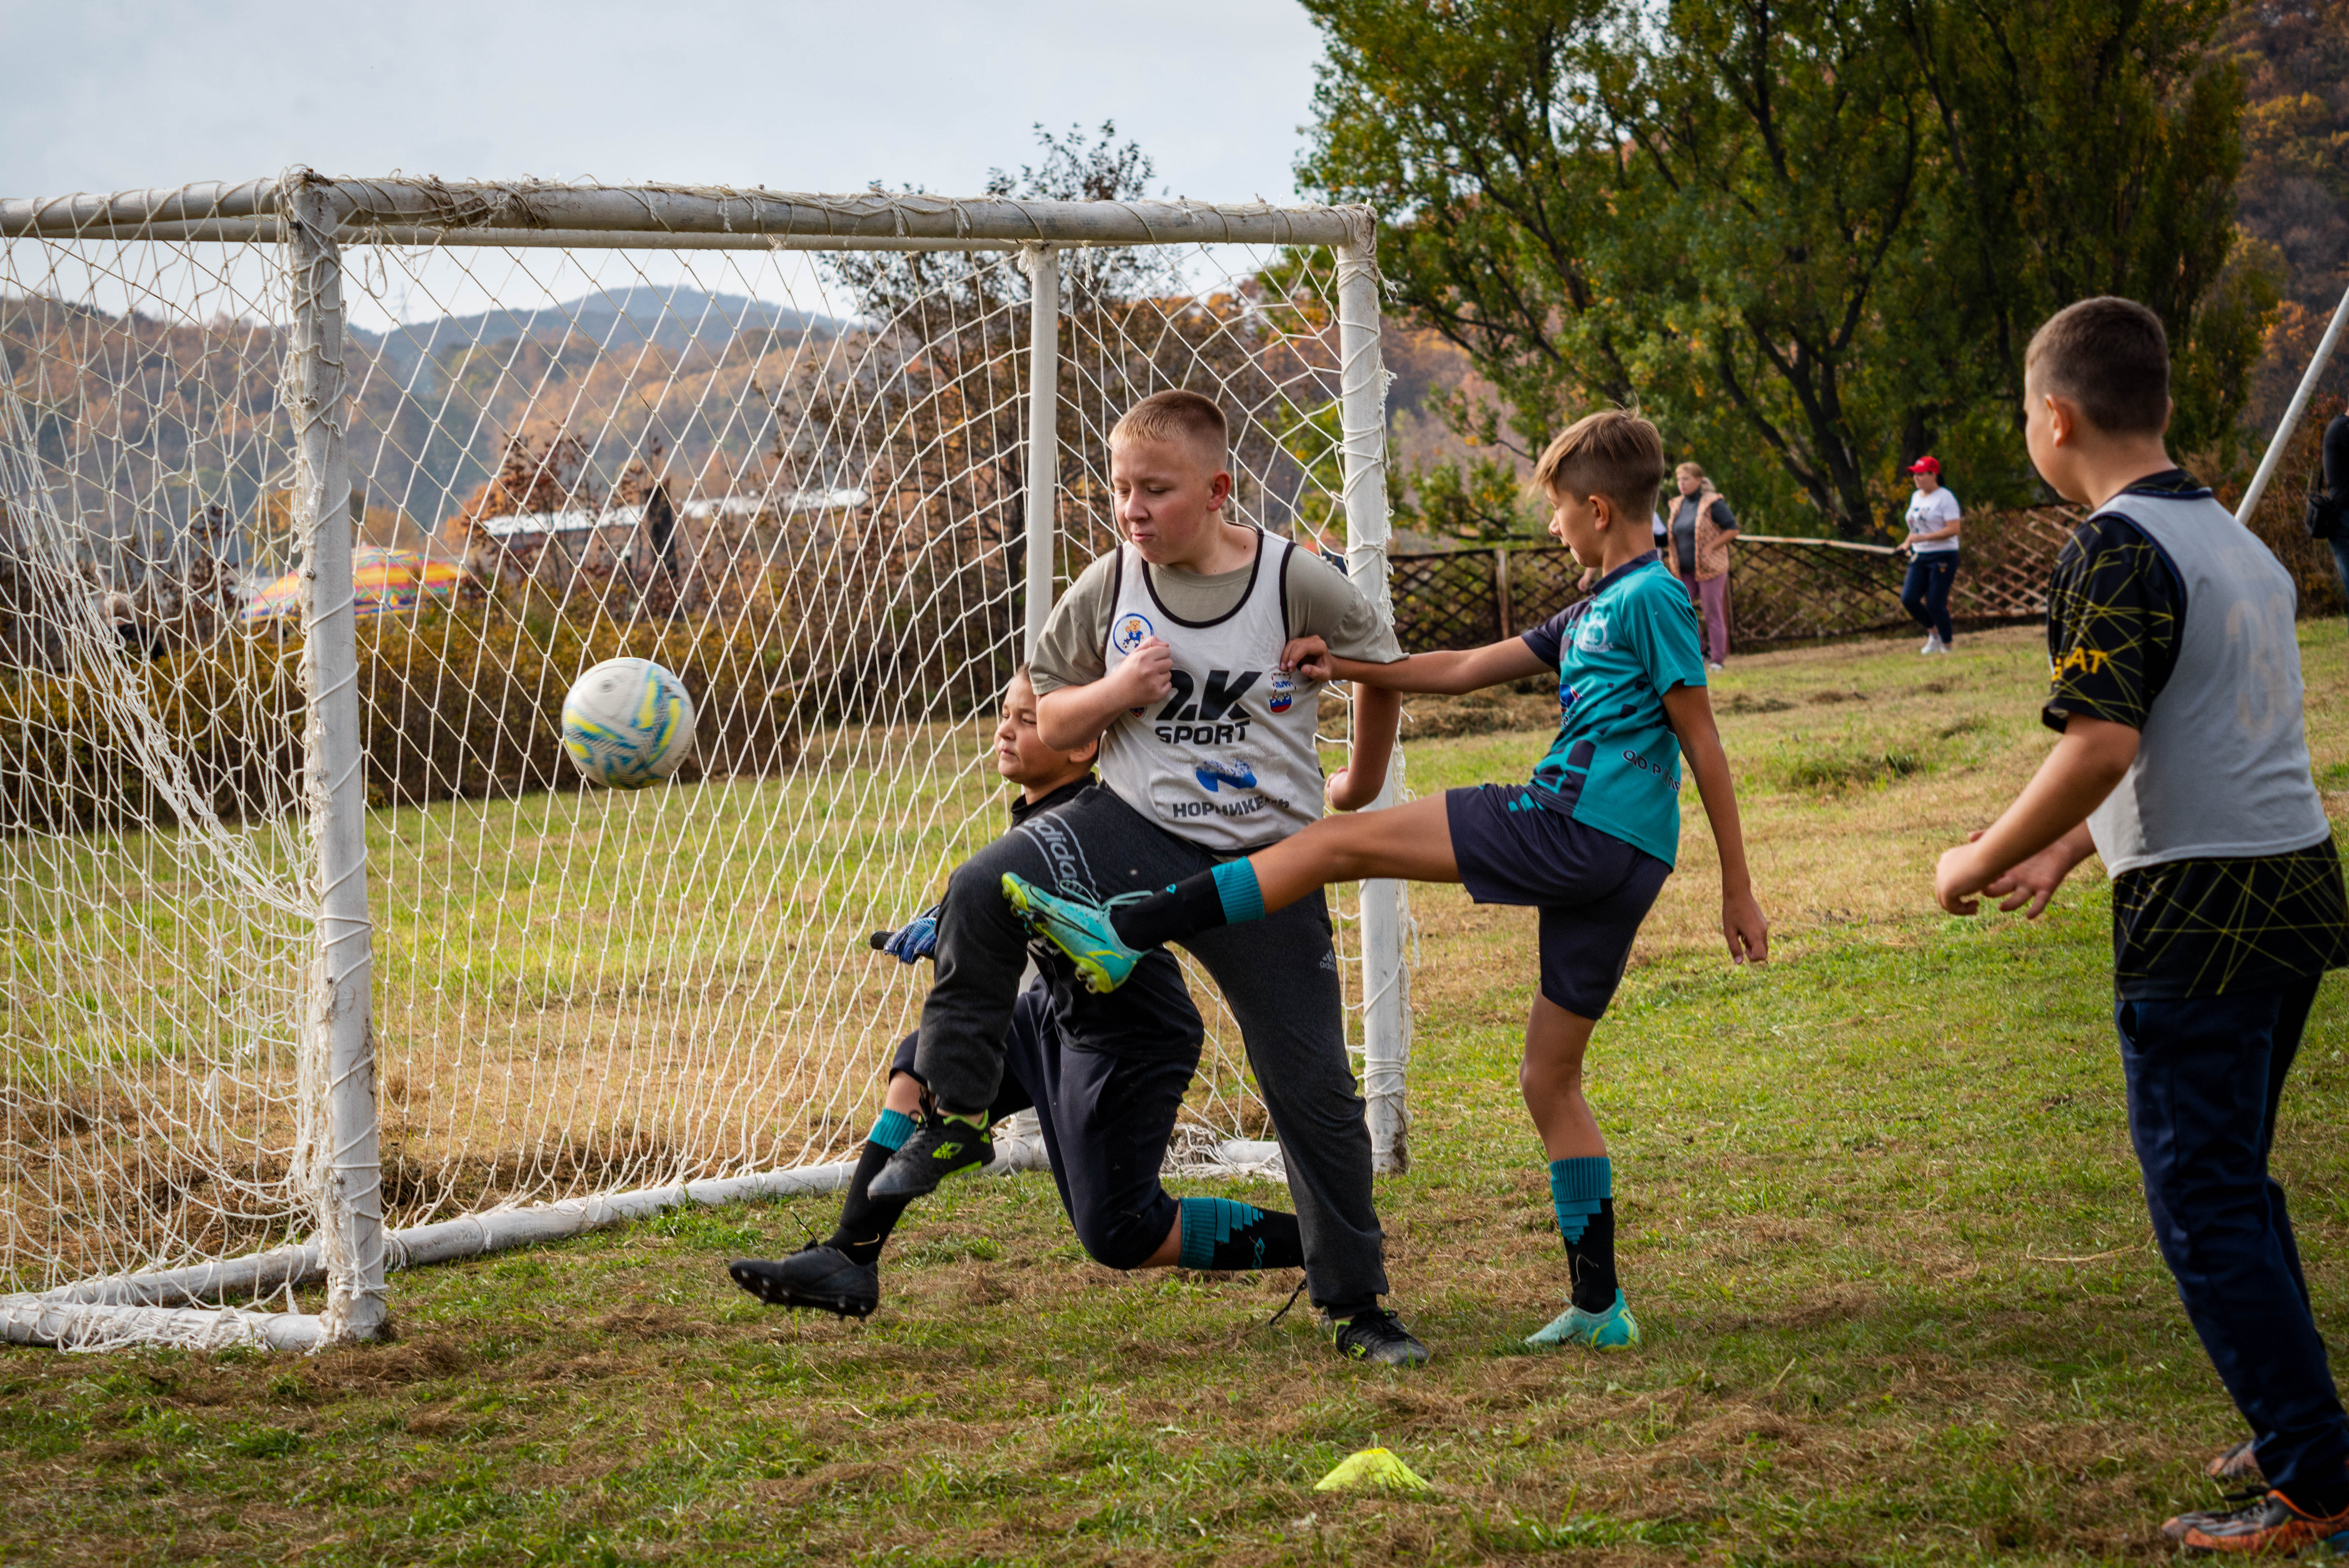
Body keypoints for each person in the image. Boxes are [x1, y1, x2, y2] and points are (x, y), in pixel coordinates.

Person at [1002, 409, 1770, 1352]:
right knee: (1548, 1077)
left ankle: (1127, 928)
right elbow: (1455, 671)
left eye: (1562, 512)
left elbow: (1704, 740)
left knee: (1334, 842)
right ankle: (1600, 1303)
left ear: (1599, 509)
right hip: (1622, 865)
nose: (1555, 527)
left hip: (1572, 825)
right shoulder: (1593, 604)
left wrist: (1740, 884)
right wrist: (1350, 664)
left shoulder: (1650, 597)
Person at [859, 389, 1429, 1366]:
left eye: (1154, 490)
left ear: (1216, 491)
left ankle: (1356, 1304)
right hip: (1129, 830)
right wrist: (1117, 691)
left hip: (1268, 860)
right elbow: (1051, 718)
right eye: (1120, 489)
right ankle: (953, 1118)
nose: (1132, 508)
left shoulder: (1299, 580)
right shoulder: (1109, 584)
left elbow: (1383, 667)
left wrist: (1360, 780)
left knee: (1314, 1090)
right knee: (979, 886)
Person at [1933, 297, 2349, 1554]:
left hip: (2202, 911)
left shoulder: (2109, 549)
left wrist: (1976, 854)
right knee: (2236, 1182)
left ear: (2052, 417)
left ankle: (2317, 1484)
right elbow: (2199, 729)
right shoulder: (2229, 537)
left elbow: (2102, 738)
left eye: (2022, 411)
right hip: (2294, 886)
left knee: (2202, 1204)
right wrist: (2067, 849)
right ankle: (2303, 1426)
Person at [727, 667, 1305, 1318]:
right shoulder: (1040, 817)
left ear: (1083, 739)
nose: (1005, 728)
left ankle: (1320, 1243)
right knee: (924, 1062)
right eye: (1007, 713)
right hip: (1054, 1017)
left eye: (1029, 720)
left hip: (1130, 1040)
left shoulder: (1097, 822)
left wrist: (958, 915)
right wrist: (947, 916)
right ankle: (849, 1259)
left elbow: (1046, 887)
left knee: (1122, 1235)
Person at [1664, 462, 1736, 670]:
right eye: (1679, 480)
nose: (1682, 484)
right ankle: (1702, 651)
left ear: (1698, 480)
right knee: (1681, 609)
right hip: (1684, 569)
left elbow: (1732, 530)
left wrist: (1712, 547)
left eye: (1686, 479)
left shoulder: (1713, 503)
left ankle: (1718, 660)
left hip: (1710, 568)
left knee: (1712, 612)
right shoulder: (1677, 505)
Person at [1897, 457, 1963, 654]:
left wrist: (1926, 537)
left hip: (1943, 556)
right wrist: (1906, 544)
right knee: (1909, 599)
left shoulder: (1946, 498)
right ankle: (1934, 634)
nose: (1916, 478)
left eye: (1921, 474)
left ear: (1933, 475)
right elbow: (1916, 529)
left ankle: (1947, 645)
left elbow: (1954, 529)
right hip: (1920, 556)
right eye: (1914, 474)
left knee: (1935, 602)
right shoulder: (1916, 497)